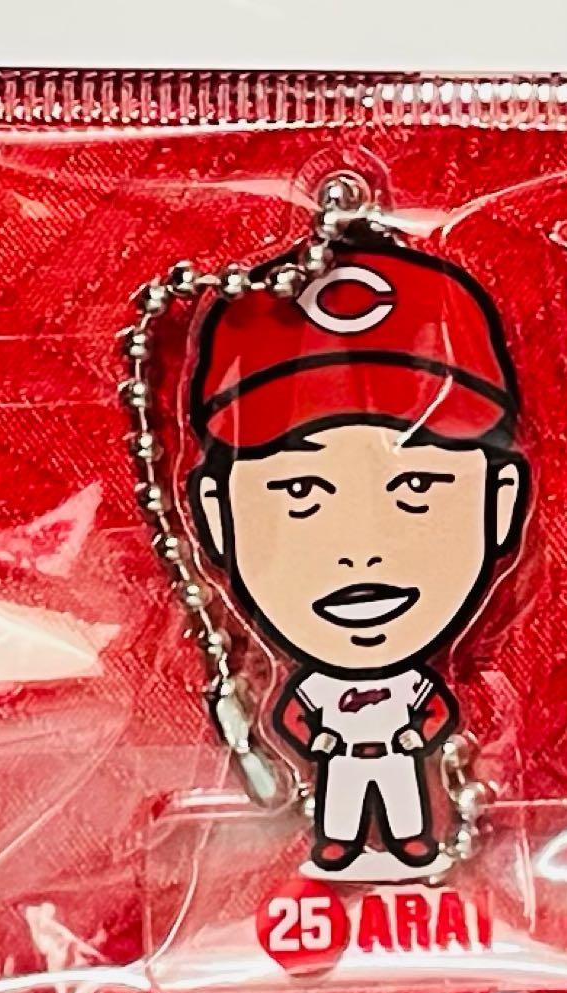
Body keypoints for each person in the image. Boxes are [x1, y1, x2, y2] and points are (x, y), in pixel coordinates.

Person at [187, 238, 528, 875]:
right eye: (300, 491)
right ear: (214, 515)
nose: (363, 550)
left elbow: (431, 711)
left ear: (501, 501)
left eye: (417, 485)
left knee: (403, 805)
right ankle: (343, 845)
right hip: (341, 761)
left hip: (395, 756)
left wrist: (411, 736)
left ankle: (409, 843)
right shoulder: (315, 687)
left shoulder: (414, 685)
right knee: (342, 814)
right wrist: (318, 738)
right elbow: (296, 715)